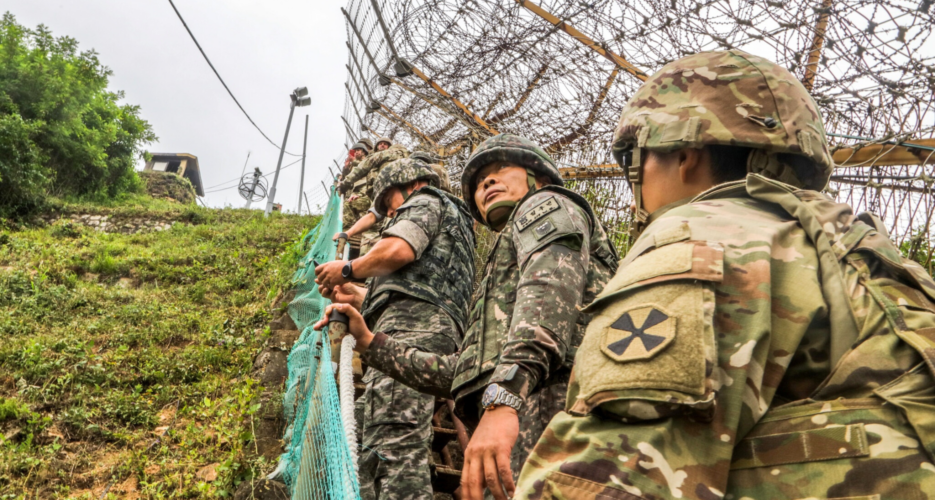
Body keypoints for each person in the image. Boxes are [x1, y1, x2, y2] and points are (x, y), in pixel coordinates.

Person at [514, 49, 935, 499]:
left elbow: (612, 475)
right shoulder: (857, 247)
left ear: (684, 155)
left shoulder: (704, 236)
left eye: (637, 163)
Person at [319, 134, 619, 500]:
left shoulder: (545, 203)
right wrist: (371, 342)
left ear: (537, 177)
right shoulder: (498, 274)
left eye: (500, 169)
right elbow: (462, 375)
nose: (487, 182)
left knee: (393, 443)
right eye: (478, 181)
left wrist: (503, 397)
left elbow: (549, 296)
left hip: (560, 418)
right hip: (529, 431)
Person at [316, 158, 477, 500]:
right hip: (420, 331)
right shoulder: (453, 223)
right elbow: (413, 288)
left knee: (394, 445)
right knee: (369, 434)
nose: (389, 216)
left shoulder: (426, 200)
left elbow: (398, 249)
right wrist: (355, 295)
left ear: (405, 186)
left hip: (411, 333)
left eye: (388, 203)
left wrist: (347, 268)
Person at [338, 139, 410, 255]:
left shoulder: (384, 155)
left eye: (385, 144)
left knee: (371, 230)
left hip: (383, 195)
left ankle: (366, 260)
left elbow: (362, 168)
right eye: (380, 144)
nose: (382, 145)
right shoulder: (409, 161)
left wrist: (344, 185)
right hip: (404, 198)